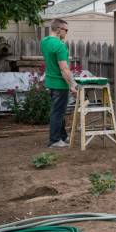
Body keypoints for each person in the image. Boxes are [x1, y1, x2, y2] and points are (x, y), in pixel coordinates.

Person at [40, 18, 77, 148]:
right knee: (57, 112)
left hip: (50, 81)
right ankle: (54, 140)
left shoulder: (44, 42)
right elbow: (64, 69)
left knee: (58, 111)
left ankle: (63, 136)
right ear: (59, 29)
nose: (66, 33)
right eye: (66, 30)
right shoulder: (60, 45)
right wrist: (72, 85)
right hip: (60, 84)